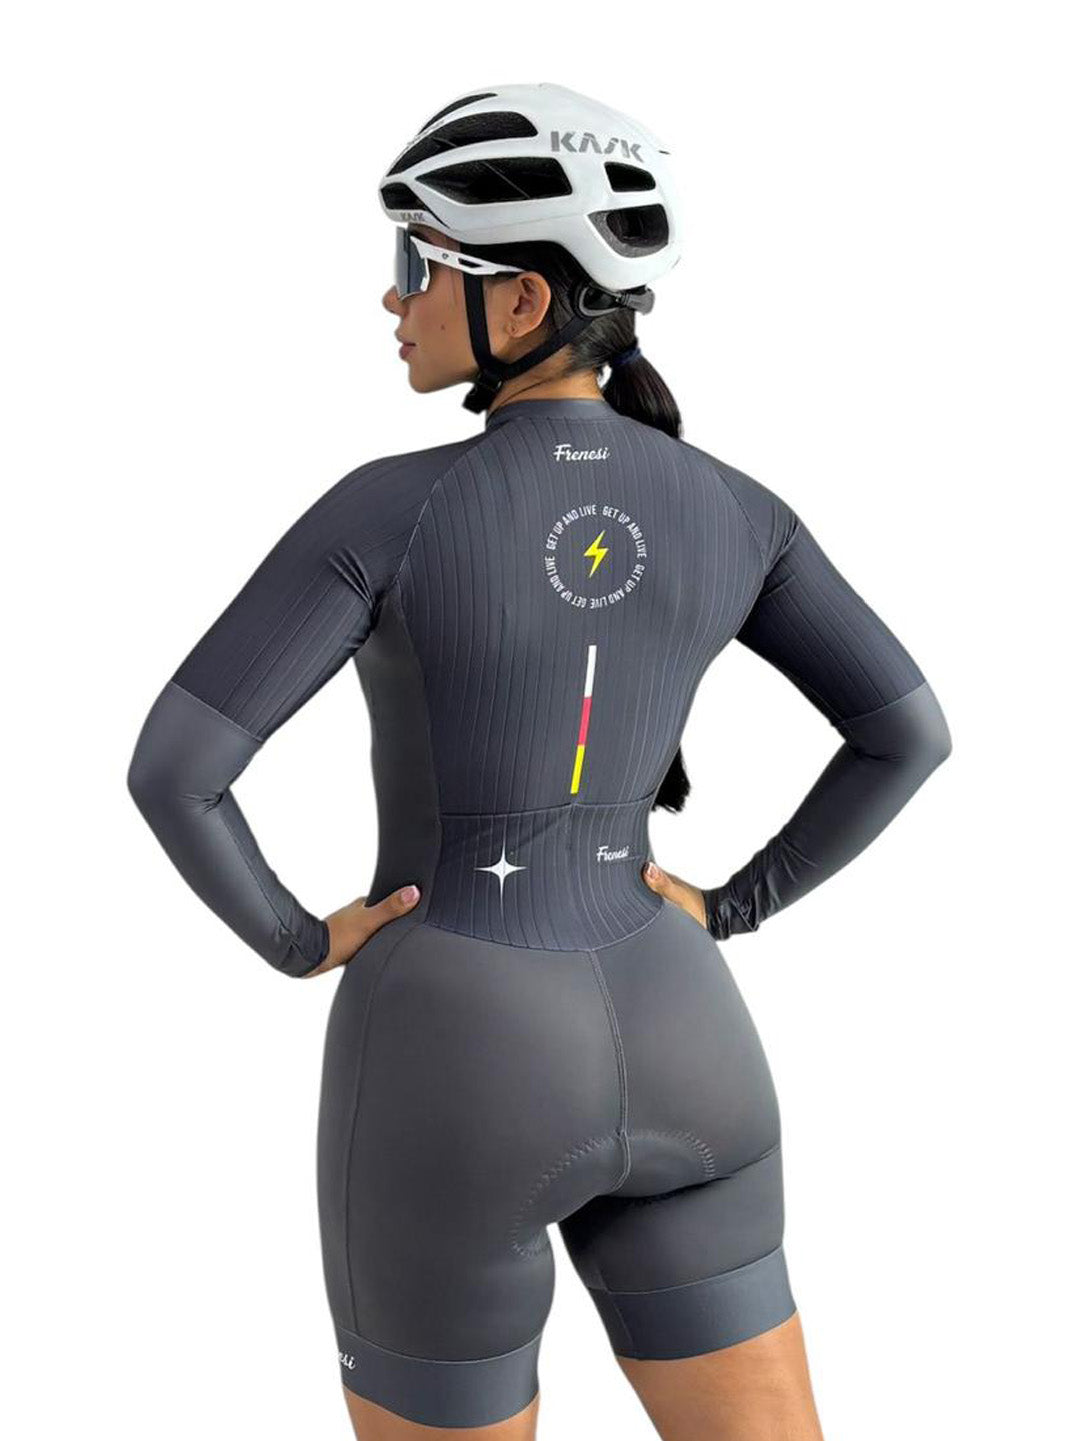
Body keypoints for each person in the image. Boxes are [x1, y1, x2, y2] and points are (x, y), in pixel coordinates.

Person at [127, 83, 951, 1440]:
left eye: (418, 266)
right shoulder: (738, 508)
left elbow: (175, 769)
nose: (391, 298)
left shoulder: (390, 509)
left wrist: (297, 939)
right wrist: (731, 906)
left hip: (453, 1050)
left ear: (519, 303)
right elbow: (907, 731)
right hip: (693, 1037)